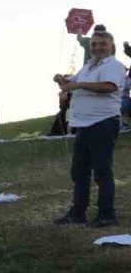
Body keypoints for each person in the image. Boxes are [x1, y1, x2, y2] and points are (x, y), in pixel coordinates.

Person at [53, 27, 125, 227]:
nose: (97, 47)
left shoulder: (115, 65)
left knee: (102, 170)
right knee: (79, 171)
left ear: (112, 47)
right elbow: (71, 82)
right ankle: (78, 212)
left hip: (103, 123)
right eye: (94, 44)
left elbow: (109, 87)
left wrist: (78, 85)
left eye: (102, 44)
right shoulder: (88, 67)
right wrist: (61, 79)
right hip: (84, 124)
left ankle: (107, 214)